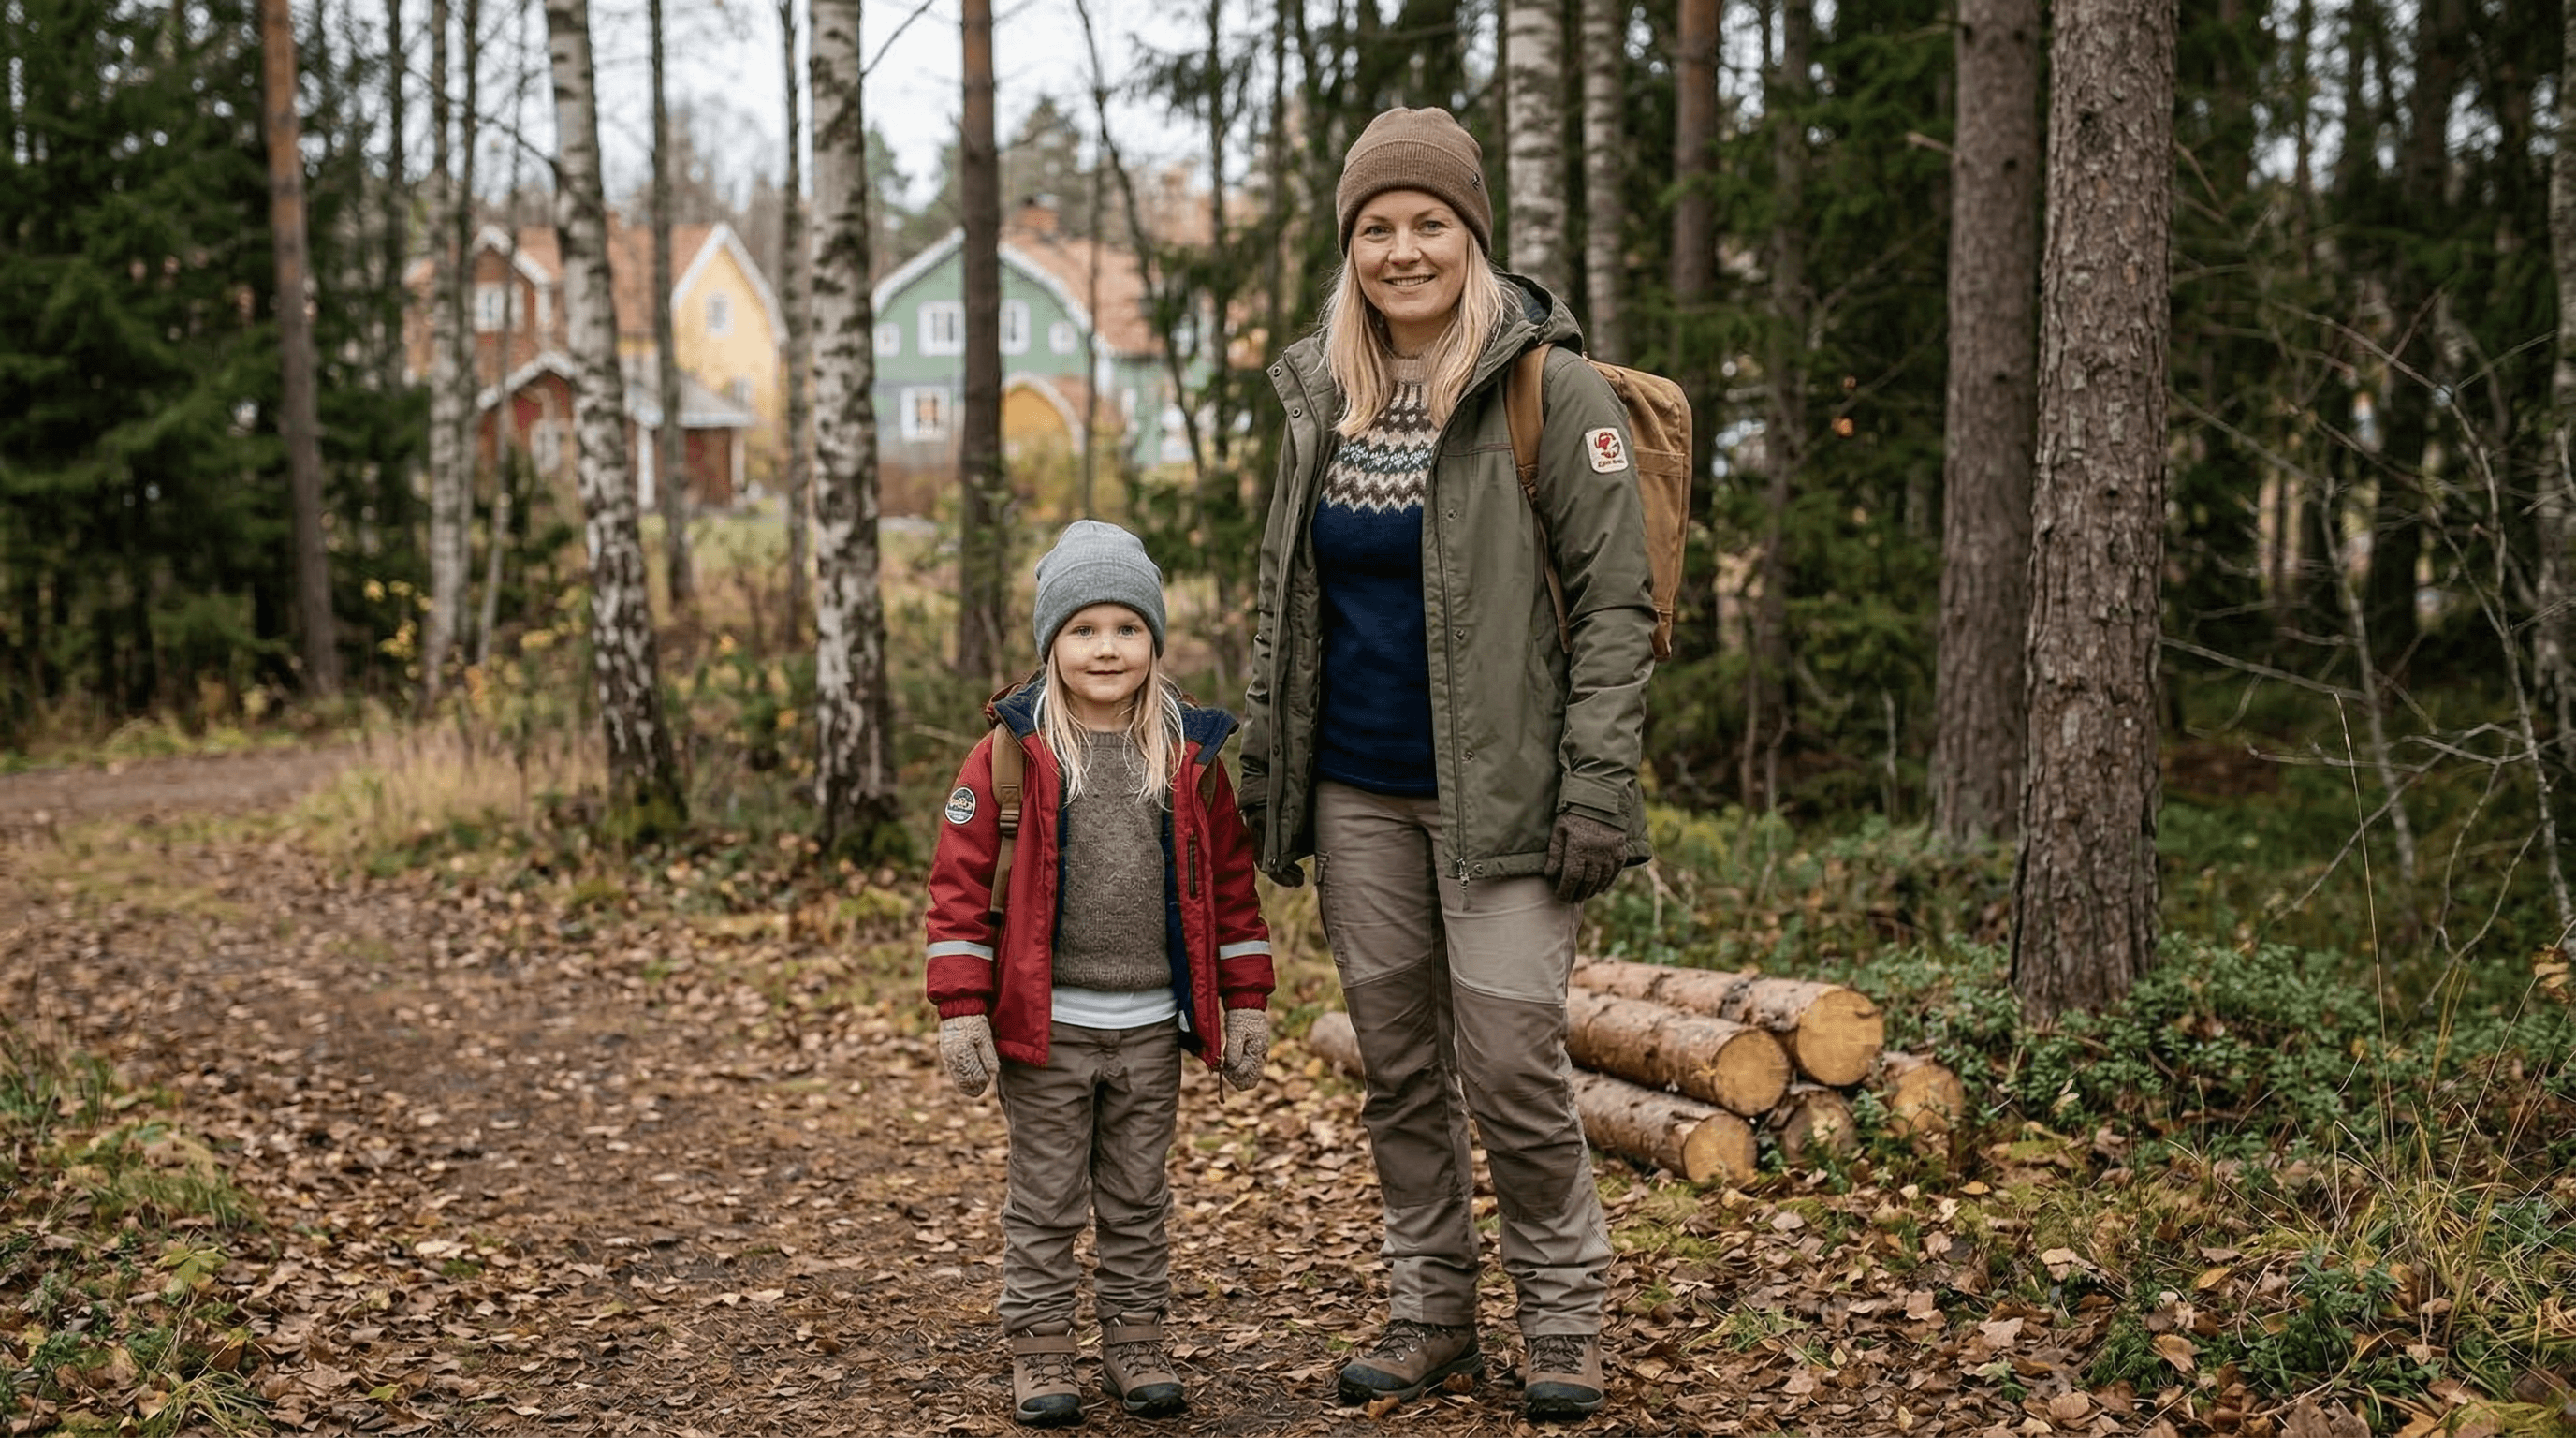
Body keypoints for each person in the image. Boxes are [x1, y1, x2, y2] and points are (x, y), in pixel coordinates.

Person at [1238, 106, 1657, 1423]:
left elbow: (1617, 610)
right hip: (1359, 790)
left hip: (1512, 801)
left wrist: (1598, 787)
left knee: (1514, 1062)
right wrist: (1270, 773)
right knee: (1402, 1068)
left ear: (1472, 236)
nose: (1403, 250)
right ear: (1350, 245)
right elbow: (1287, 604)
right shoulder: (1323, 393)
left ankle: (1567, 1320)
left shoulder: (1549, 387)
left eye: (1428, 224)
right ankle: (1431, 1314)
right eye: (1378, 228)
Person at [924, 520, 1277, 1428]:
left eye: (1126, 628)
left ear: (1154, 639)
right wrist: (961, 1010)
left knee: (1135, 1196)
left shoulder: (1188, 756)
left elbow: (1229, 890)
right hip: (1045, 1029)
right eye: (1083, 630)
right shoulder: (1010, 754)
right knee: (1045, 1198)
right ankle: (1040, 1351)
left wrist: (1245, 1003)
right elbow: (958, 891)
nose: (1106, 648)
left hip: (1151, 1027)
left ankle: (1135, 1342)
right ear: (1050, 643)